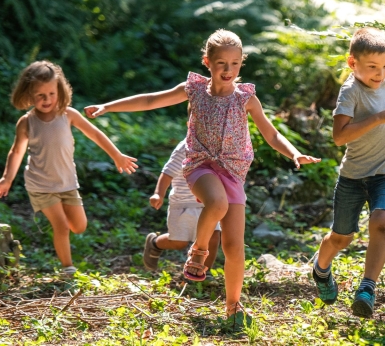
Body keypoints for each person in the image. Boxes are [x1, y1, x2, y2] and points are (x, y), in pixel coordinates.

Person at [84, 29, 321, 327]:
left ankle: (233, 306)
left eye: (235, 64)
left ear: (241, 64)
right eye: (221, 63)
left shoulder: (246, 98)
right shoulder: (193, 89)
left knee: (235, 247)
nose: (228, 70)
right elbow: (149, 101)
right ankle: (198, 251)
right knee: (217, 203)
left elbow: (270, 133)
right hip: (200, 165)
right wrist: (108, 106)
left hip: (233, 171)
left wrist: (294, 153)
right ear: (207, 62)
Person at [0, 60, 138, 278]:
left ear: (59, 90)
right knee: (62, 226)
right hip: (40, 185)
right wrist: (7, 178)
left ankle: (62, 227)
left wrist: (116, 154)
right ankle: (68, 268)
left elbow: (95, 133)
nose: (47, 99)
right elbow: (16, 152)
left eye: (51, 93)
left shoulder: (68, 115)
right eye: (40, 95)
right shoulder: (26, 122)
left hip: (67, 183)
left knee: (79, 226)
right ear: (29, 95)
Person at [311, 27, 385, 318]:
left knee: (381, 222)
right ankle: (320, 269)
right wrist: (379, 118)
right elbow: (340, 137)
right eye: (372, 67)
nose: (380, 74)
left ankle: (367, 288)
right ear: (352, 64)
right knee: (342, 238)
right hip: (353, 177)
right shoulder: (349, 92)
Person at [143, 139, 221, 277]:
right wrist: (158, 194)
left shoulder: (220, 145)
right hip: (183, 203)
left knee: (214, 237)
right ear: (190, 124)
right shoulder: (185, 147)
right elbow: (168, 172)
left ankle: (204, 272)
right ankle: (154, 243)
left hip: (209, 203)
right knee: (179, 242)